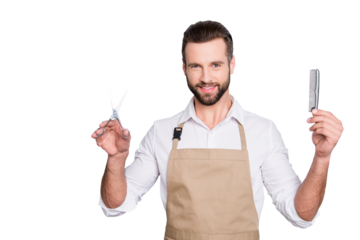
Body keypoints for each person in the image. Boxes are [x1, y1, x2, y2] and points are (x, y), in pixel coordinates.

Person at [91, 19, 344, 239]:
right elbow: (115, 207)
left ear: (232, 64)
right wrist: (116, 159)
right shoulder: (161, 130)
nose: (206, 78)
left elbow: (301, 214)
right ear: (183, 68)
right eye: (195, 66)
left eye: (215, 65)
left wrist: (322, 157)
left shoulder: (262, 129)